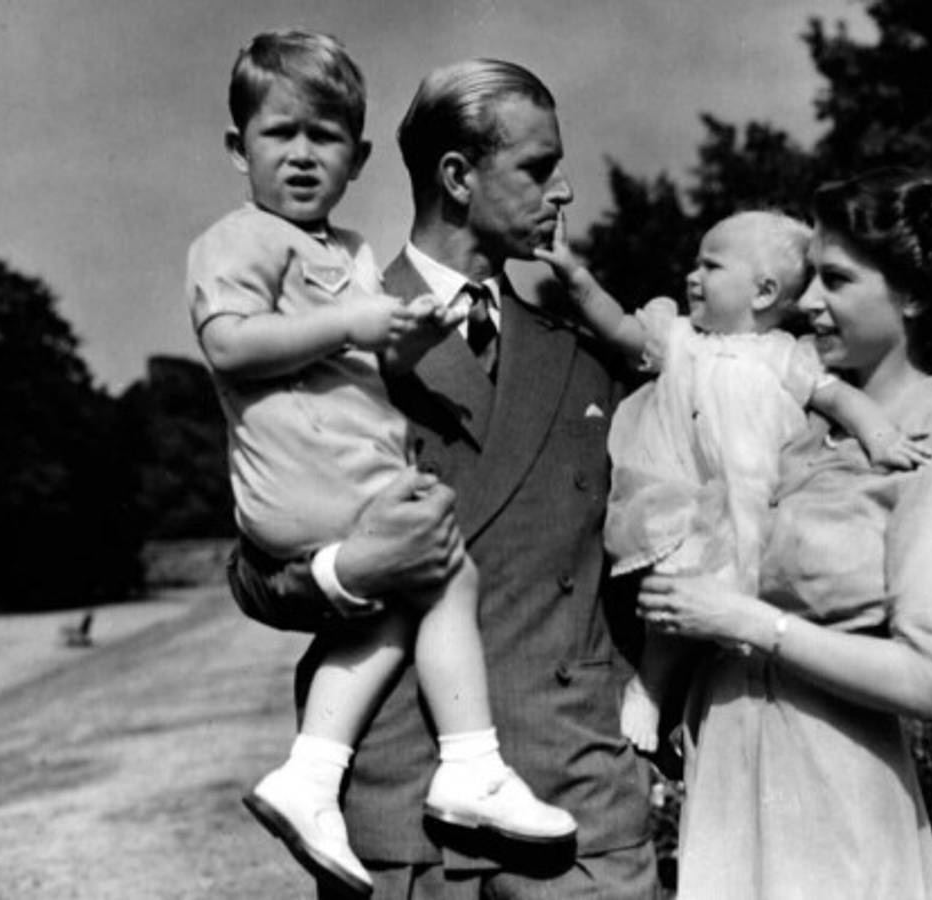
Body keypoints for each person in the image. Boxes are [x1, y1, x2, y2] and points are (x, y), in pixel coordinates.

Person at [226, 57, 658, 899]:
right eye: (538, 167)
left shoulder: (583, 354)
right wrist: (345, 572)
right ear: (457, 176)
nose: (563, 191)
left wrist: (646, 706)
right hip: (404, 819)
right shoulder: (315, 333)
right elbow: (251, 570)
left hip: (577, 811)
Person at [635, 169, 932, 899]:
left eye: (835, 280)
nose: (806, 301)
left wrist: (751, 621)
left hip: (834, 816)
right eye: (808, 277)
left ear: (912, 295)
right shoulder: (793, 433)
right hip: (725, 795)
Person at [536, 209, 930, 753]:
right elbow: (622, 330)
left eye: (711, 266)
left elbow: (839, 398)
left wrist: (879, 433)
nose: (691, 276)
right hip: (685, 501)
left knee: (735, 620)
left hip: (756, 507)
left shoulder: (786, 357)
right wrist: (576, 279)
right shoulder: (679, 340)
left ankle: (692, 714)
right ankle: (649, 689)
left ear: (764, 292)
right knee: (676, 600)